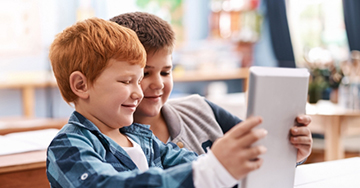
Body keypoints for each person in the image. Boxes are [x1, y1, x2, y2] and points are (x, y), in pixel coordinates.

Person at [46, 17, 269, 188]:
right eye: (126, 81)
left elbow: (194, 163)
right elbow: (104, 184)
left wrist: (245, 162)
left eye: (138, 81)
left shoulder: (143, 139)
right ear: (81, 85)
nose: (138, 93)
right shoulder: (68, 146)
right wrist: (210, 171)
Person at [110, 12, 312, 163]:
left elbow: (261, 153)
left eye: (165, 72)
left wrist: (292, 152)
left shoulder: (201, 109)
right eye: (145, 74)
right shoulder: (111, 141)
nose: (159, 84)